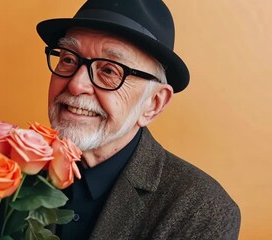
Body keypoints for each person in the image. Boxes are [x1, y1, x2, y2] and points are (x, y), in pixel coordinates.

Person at [36, 0, 241, 239]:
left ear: (153, 104)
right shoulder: (10, 165)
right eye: (69, 59)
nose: (76, 84)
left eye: (109, 71)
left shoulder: (203, 210)